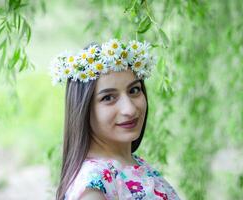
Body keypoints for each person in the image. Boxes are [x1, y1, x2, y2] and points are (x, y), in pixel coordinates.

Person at [50, 39, 180, 200]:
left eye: (134, 90)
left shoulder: (133, 164)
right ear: (83, 108)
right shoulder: (93, 186)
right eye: (108, 97)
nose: (130, 109)